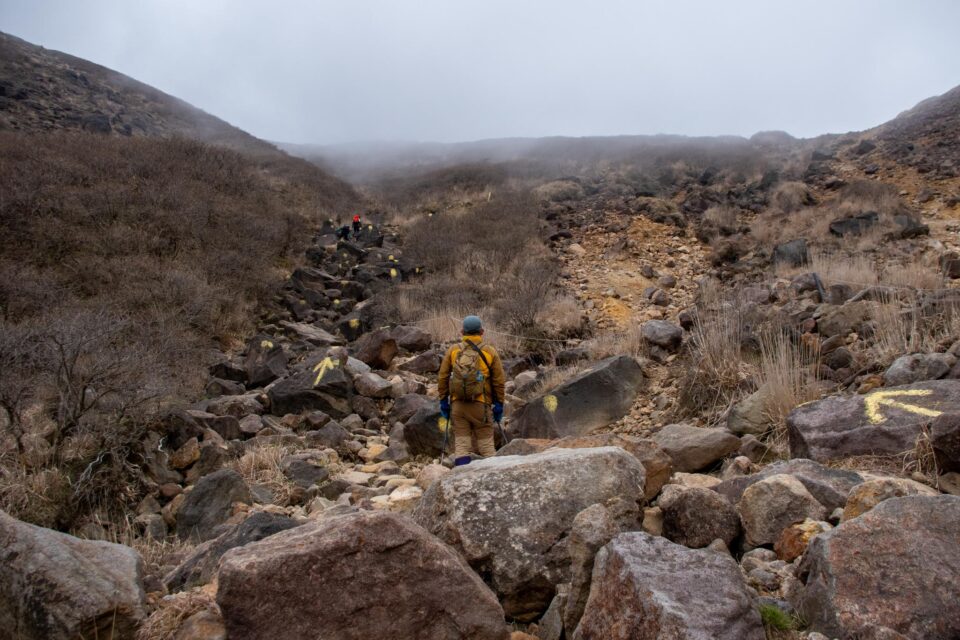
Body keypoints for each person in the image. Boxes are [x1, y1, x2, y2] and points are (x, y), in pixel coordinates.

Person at [437, 315, 506, 466]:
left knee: (462, 446)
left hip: (458, 406)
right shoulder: (490, 352)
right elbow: (499, 382)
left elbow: (442, 377)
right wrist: (499, 404)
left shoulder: (453, 351)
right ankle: (493, 477)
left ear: (462, 332)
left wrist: (443, 401)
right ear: (482, 332)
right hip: (481, 406)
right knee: (486, 447)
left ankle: (462, 478)